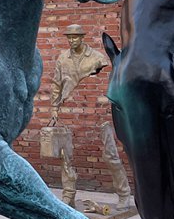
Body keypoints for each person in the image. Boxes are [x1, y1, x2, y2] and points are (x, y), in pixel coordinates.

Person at [48, 24, 131, 209]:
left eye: (75, 37)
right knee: (66, 157)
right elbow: (56, 85)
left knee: (110, 155)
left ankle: (124, 194)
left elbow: (109, 84)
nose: (72, 40)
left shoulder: (98, 58)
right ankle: (68, 195)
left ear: (82, 38)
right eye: (69, 37)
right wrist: (54, 109)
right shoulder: (63, 58)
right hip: (69, 113)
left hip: (97, 112)